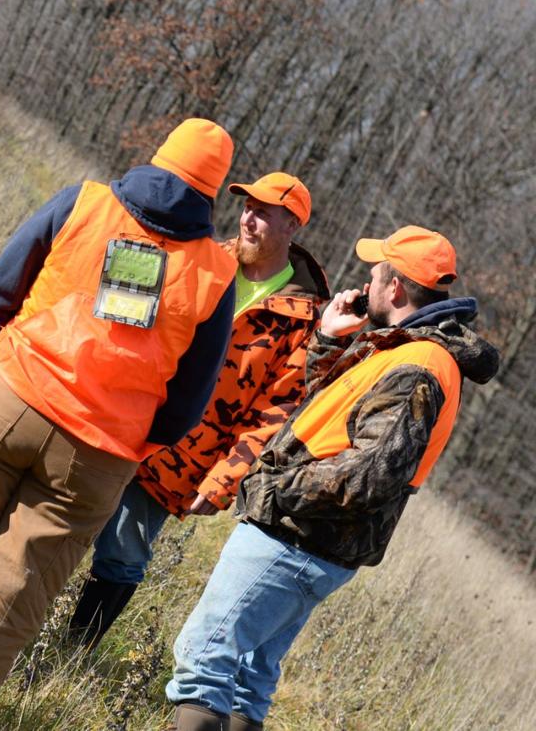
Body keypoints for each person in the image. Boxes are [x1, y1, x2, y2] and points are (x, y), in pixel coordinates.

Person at [0, 119, 239, 730]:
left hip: (7, 397)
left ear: (157, 156)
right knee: (6, 604)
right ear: (214, 193)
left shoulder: (84, 202)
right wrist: (128, 437)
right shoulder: (215, 273)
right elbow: (189, 402)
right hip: (97, 455)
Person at [164, 225, 499, 731]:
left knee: (203, 658)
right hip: (308, 537)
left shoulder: (420, 366)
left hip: (296, 535)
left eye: (375, 274)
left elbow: (369, 476)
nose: (365, 284)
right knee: (249, 676)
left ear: (396, 288)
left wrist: (274, 486)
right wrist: (328, 337)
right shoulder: (404, 348)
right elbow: (327, 412)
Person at [70, 172, 329, 648]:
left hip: (181, 455)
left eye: (263, 213)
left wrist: (222, 479)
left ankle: (71, 653)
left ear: (292, 225)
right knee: (63, 517)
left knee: (123, 551)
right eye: (247, 208)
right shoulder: (208, 258)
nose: (248, 220)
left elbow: (273, 413)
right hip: (123, 415)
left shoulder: (303, 320)